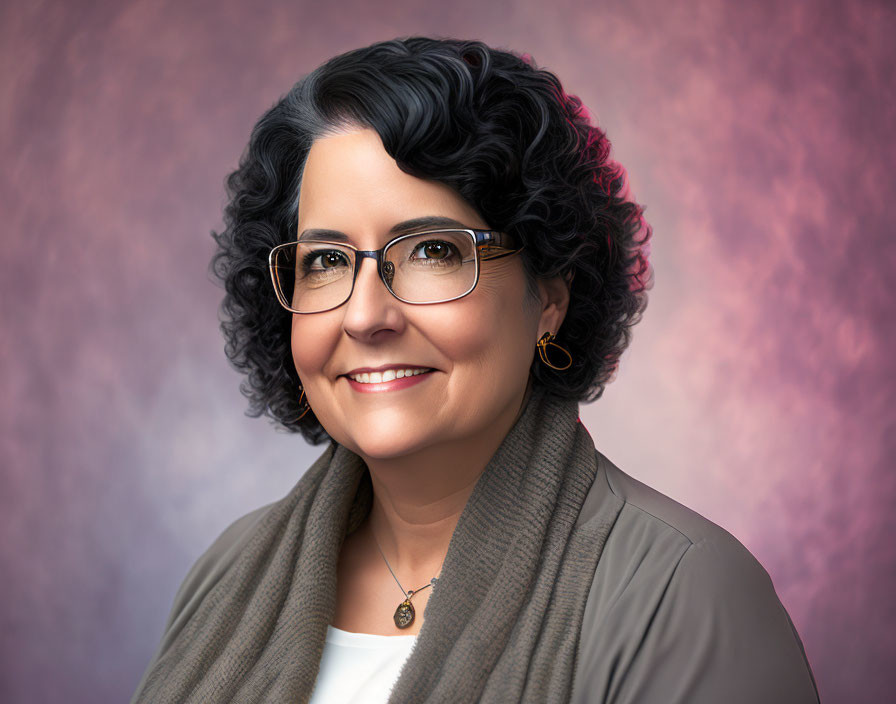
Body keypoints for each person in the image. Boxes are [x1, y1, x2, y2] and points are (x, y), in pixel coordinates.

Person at [131, 36, 820, 703]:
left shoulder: (682, 592)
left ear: (550, 294)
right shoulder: (229, 573)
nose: (365, 316)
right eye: (327, 260)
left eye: (433, 251)